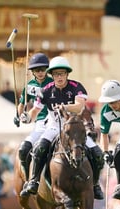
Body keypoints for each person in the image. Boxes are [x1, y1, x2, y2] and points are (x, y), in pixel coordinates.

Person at [19, 56, 104, 199]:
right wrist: (27, 117)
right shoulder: (45, 90)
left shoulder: (76, 87)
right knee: (39, 148)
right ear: (51, 75)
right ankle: (33, 181)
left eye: (62, 73)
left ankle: (95, 185)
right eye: (56, 74)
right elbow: (35, 111)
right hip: (54, 126)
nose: (59, 77)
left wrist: (65, 106)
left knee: (97, 154)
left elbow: (79, 106)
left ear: (67, 74)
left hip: (75, 128)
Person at [13, 53, 53, 182]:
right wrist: (19, 116)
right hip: (41, 122)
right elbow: (22, 104)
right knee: (23, 149)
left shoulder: (54, 83)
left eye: (43, 69)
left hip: (57, 120)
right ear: (33, 72)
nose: (40, 72)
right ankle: (28, 179)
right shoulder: (30, 86)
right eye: (37, 70)